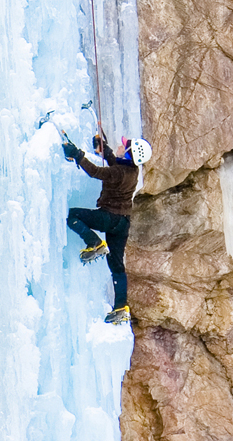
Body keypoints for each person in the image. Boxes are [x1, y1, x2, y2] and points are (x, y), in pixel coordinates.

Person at [63, 133, 152, 325]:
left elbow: (96, 172)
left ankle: (93, 242)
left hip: (109, 218)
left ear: (129, 153)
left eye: (124, 146)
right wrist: (104, 148)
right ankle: (121, 307)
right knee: (117, 265)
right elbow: (116, 162)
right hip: (122, 223)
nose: (121, 146)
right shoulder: (132, 170)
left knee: (70, 215)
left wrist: (77, 155)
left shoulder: (119, 172)